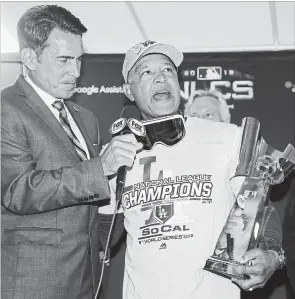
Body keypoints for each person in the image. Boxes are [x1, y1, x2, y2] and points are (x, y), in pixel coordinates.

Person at [107, 40, 285, 299]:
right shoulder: (117, 153)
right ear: (128, 91)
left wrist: (272, 253)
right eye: (146, 72)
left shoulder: (227, 137)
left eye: (168, 70)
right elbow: (105, 239)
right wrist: (104, 176)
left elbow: (259, 205)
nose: (161, 78)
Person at [1, 5, 141, 299]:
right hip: (33, 281)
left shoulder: (85, 118)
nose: (75, 72)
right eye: (63, 59)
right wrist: (99, 168)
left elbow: (90, 197)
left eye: (78, 60)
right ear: (29, 58)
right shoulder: (6, 109)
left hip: (85, 278)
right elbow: (16, 190)